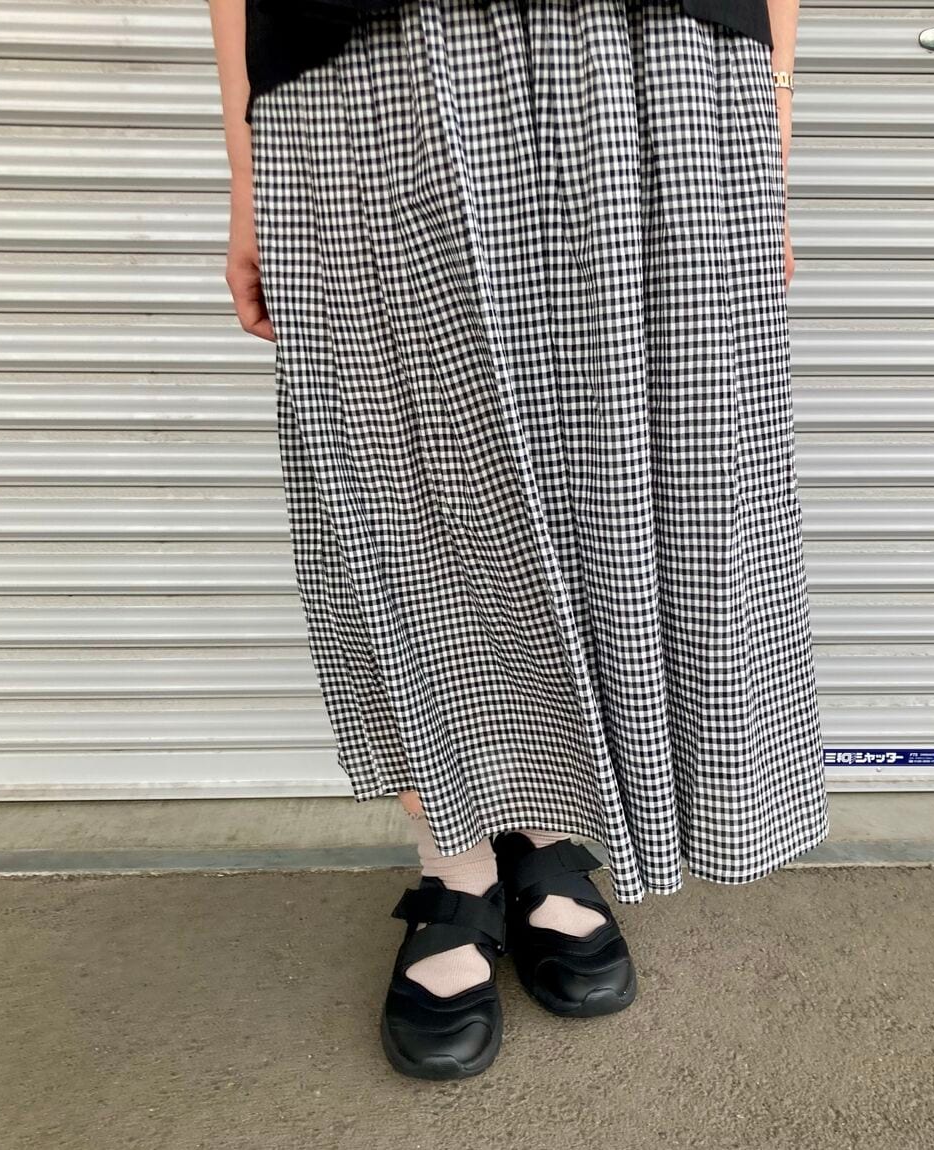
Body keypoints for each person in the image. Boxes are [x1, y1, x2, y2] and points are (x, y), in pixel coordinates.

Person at [208, 0, 828, 1081]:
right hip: (372, 57)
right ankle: (454, 857)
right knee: (404, 472)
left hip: (659, 60)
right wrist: (247, 167)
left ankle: (545, 831)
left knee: (648, 465)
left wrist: (771, 127)